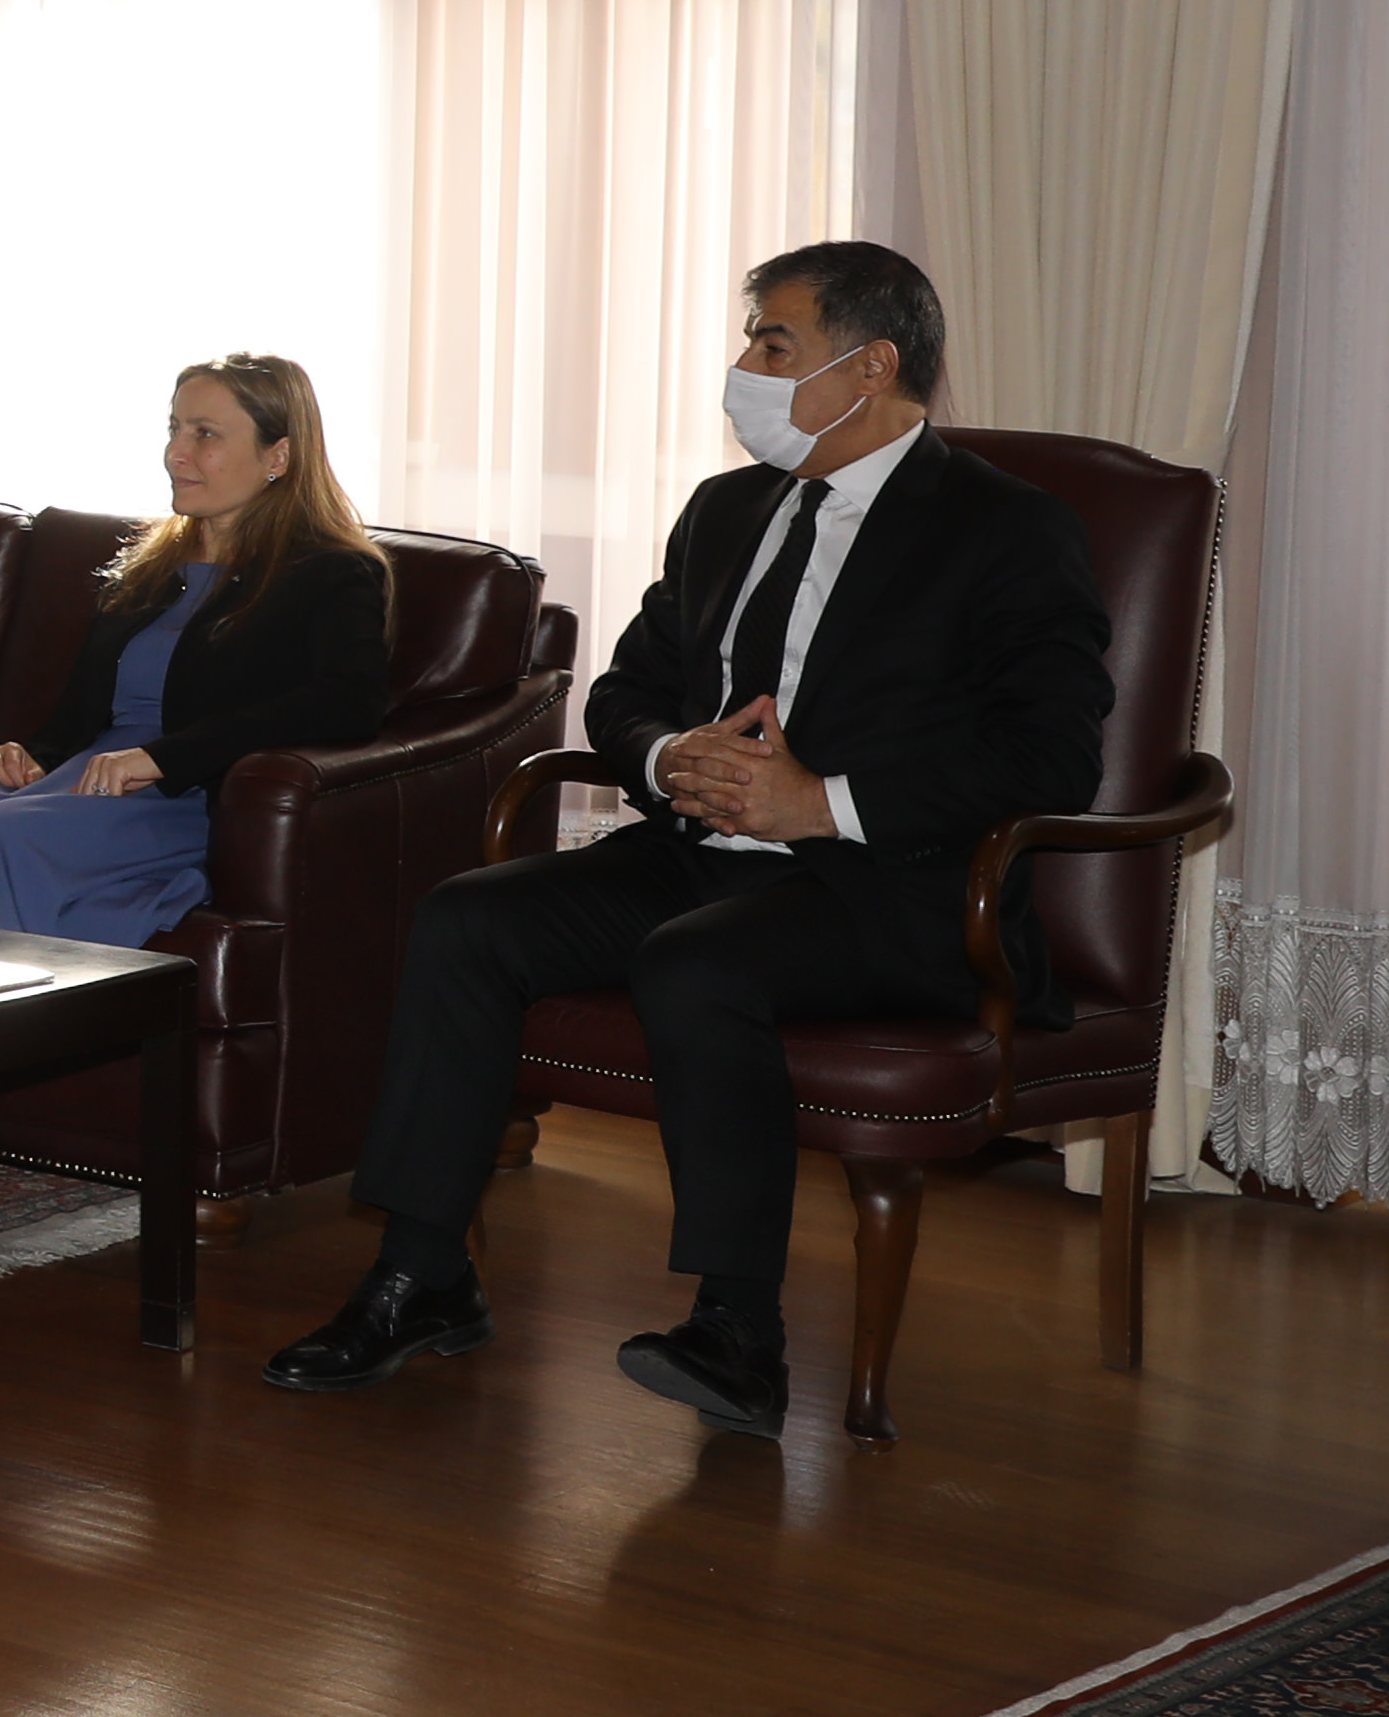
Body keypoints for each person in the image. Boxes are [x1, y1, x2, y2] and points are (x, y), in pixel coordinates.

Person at [267, 241, 1111, 1437]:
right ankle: (421, 1274)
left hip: (890, 887)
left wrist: (820, 801)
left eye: (774, 342)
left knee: (698, 961)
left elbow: (1049, 753)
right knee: (468, 919)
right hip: (695, 855)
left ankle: (738, 1333)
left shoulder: (1006, 528)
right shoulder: (727, 510)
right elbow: (627, 690)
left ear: (871, 366)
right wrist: (669, 757)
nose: (745, 366)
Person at [0, 353, 392, 1218]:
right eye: (174, 428)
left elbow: (348, 703)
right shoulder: (147, 567)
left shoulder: (332, 572)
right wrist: (23, 754)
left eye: (206, 434)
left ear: (278, 454)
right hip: (83, 781)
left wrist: (168, 756)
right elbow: (78, 717)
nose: (177, 452)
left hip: (182, 796)